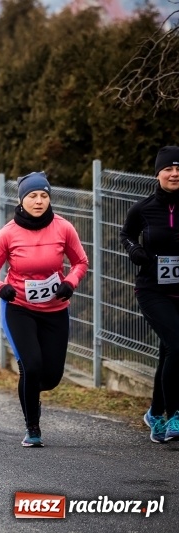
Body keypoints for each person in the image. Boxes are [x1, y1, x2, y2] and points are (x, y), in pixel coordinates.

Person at [0, 171, 88, 447]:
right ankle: (32, 426)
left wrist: (70, 282)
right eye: (32, 196)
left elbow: (81, 262)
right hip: (20, 309)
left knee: (50, 377)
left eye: (43, 195)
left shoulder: (63, 228)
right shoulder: (8, 233)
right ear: (21, 199)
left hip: (55, 310)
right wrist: (0, 287)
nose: (39, 201)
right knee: (31, 365)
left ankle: (31, 390)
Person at [120, 145, 179, 443]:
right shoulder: (143, 208)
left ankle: (155, 413)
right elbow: (126, 234)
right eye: (168, 168)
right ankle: (175, 415)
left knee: (170, 351)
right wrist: (135, 250)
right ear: (158, 174)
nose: (174, 173)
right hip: (152, 290)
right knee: (178, 346)